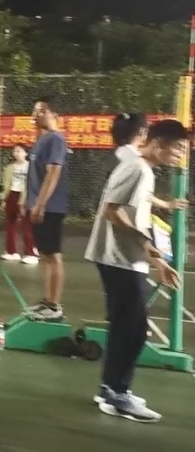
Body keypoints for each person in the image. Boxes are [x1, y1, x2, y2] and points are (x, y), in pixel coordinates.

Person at [84, 119, 185, 422]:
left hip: (128, 258)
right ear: (158, 143)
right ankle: (116, 394)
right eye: (178, 148)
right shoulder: (137, 168)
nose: (181, 155)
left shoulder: (143, 170)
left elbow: (136, 204)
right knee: (132, 330)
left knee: (128, 328)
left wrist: (156, 260)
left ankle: (111, 389)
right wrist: (145, 244)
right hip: (118, 258)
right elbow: (111, 210)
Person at [24, 96, 70, 322]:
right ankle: (47, 300)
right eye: (34, 110)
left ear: (54, 115)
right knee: (44, 255)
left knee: (53, 256)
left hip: (50, 206)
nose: (35, 114)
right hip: (37, 205)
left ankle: (54, 306)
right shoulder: (41, 139)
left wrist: (40, 204)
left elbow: (53, 174)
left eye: (41, 111)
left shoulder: (56, 139)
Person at [0, 144, 37, 263]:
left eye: (19, 151)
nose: (16, 153)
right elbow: (6, 184)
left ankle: (31, 253)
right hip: (12, 194)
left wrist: (25, 202)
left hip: (26, 196)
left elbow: (33, 185)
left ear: (26, 153)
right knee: (11, 223)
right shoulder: (9, 168)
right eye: (14, 151)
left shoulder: (31, 167)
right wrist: (4, 199)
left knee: (27, 225)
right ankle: (11, 252)